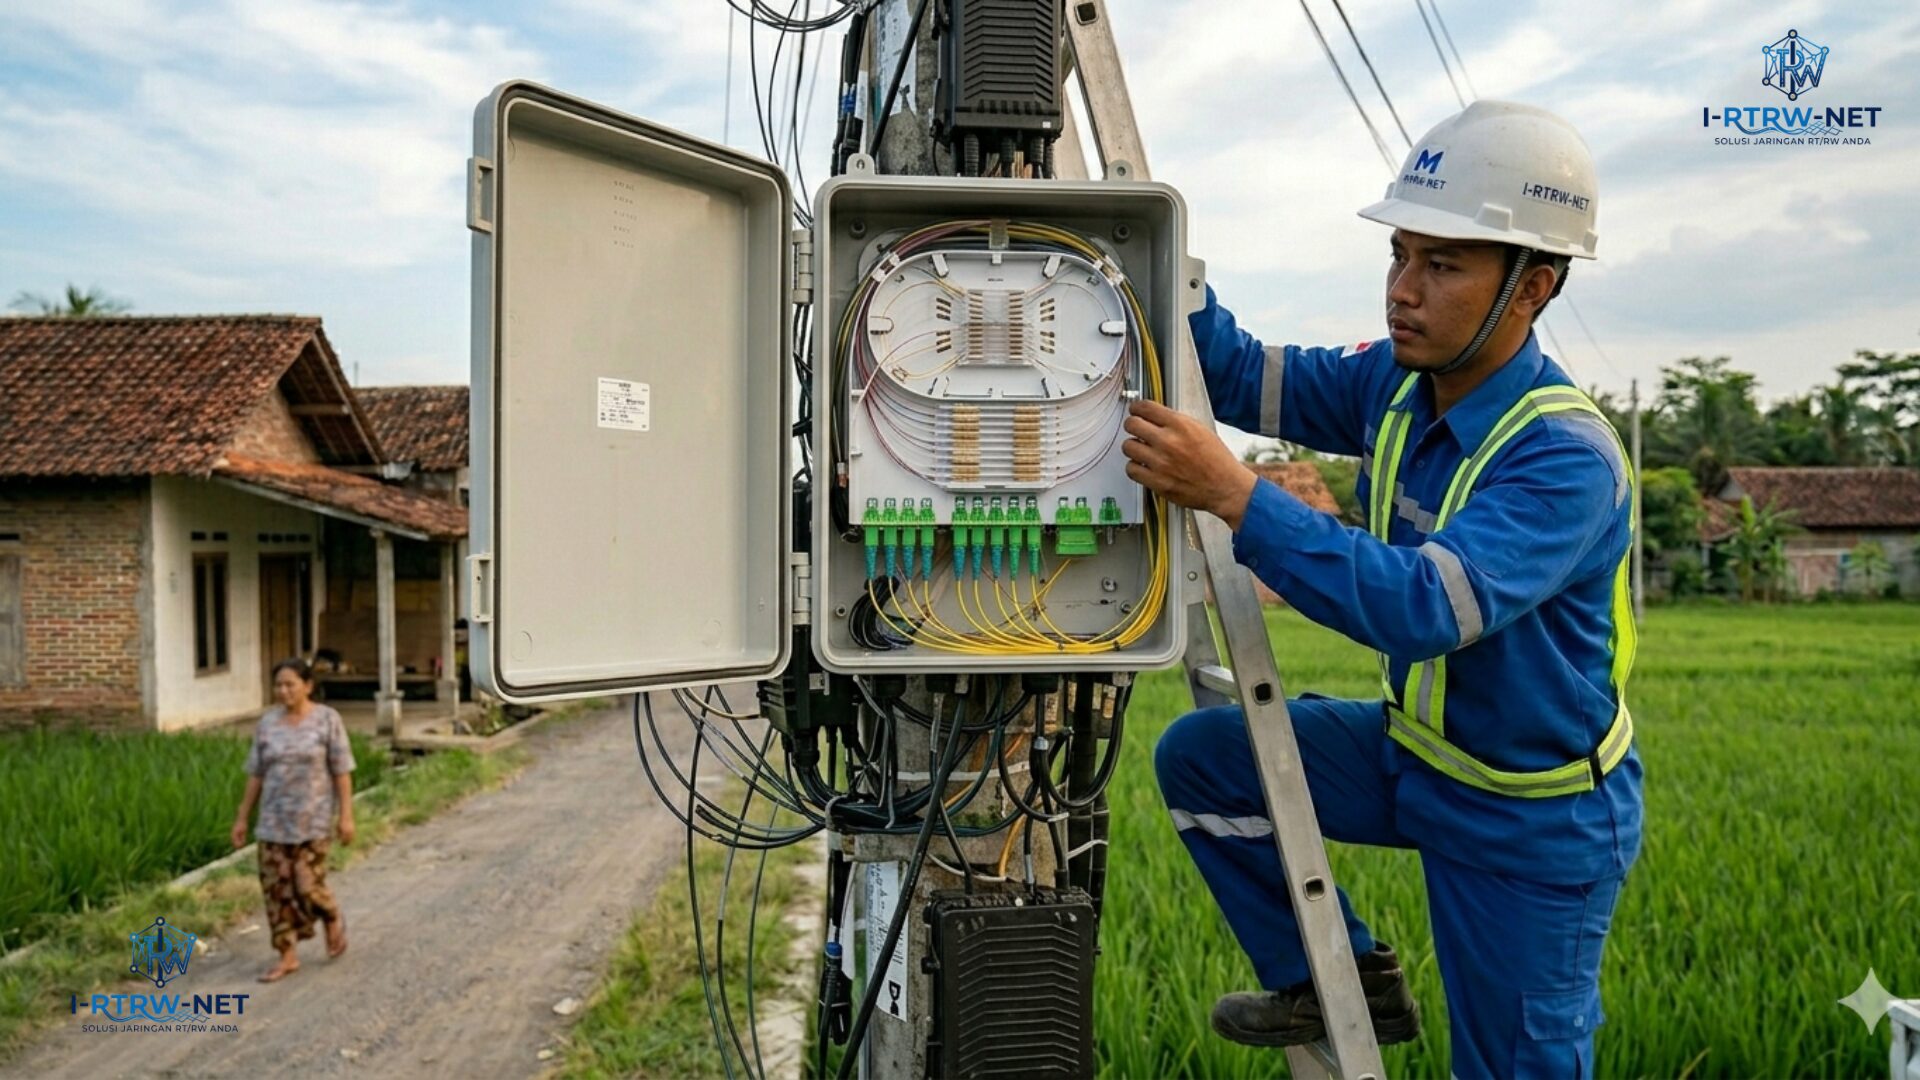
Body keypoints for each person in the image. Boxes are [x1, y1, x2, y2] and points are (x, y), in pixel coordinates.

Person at [1121, 100, 1640, 1077]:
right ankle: (1344, 980)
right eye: (1399, 254)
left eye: (1442, 265)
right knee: (1207, 761)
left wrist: (1236, 496)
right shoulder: (1396, 383)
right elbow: (1233, 375)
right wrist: (1159, 253)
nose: (1403, 290)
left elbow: (1421, 608)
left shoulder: (1561, 457)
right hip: (1421, 759)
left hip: (1529, 816)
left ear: (1533, 288)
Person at [231, 657, 357, 982]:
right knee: (277, 892)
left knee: (307, 884)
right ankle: (287, 955)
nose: (283, 691)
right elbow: (256, 774)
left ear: (308, 686)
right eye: (278, 685)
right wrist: (242, 818)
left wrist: (346, 817)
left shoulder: (327, 720)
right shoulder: (267, 724)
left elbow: (341, 771)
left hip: (312, 822)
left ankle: (330, 915)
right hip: (273, 823)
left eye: (290, 684)